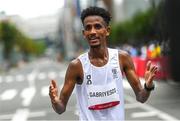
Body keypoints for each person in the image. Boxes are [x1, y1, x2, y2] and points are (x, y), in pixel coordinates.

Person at [49, 6, 158, 121]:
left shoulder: (122, 58)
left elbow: (141, 97)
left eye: (97, 26)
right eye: (88, 28)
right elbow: (61, 108)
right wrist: (55, 101)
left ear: (107, 31)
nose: (92, 32)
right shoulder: (76, 66)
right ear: (84, 33)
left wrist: (148, 86)